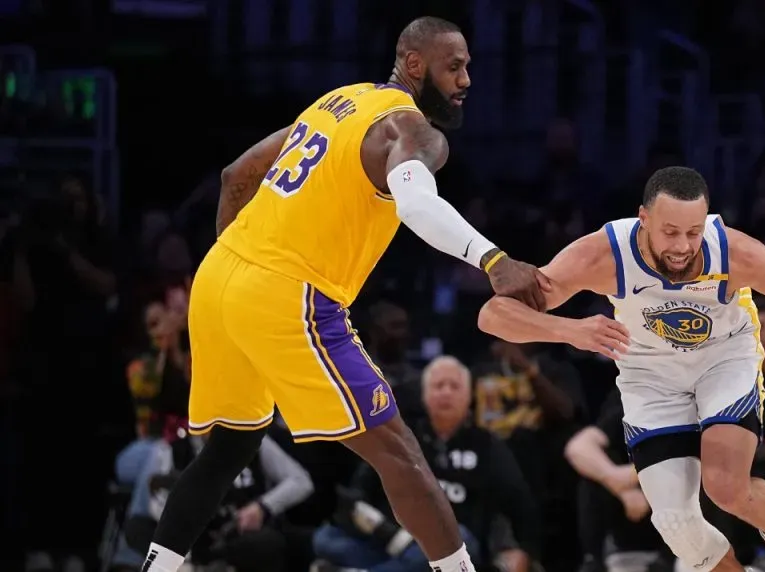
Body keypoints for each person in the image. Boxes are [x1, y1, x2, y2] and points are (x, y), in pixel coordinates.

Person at [141, 16, 549, 572]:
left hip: (219, 276)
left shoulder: (338, 101)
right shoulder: (412, 130)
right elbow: (416, 205)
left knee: (230, 446)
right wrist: (493, 260)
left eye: (468, 67)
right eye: (454, 66)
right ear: (413, 65)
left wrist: (242, 272)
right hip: (286, 290)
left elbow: (236, 176)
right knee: (398, 451)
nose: (467, 79)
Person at [477, 167, 765, 572]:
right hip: (649, 372)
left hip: (724, 357)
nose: (683, 245)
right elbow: (493, 315)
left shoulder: (733, 252)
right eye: (670, 232)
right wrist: (569, 330)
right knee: (677, 526)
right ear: (643, 219)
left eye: (693, 232)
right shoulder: (601, 255)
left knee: (725, 485)